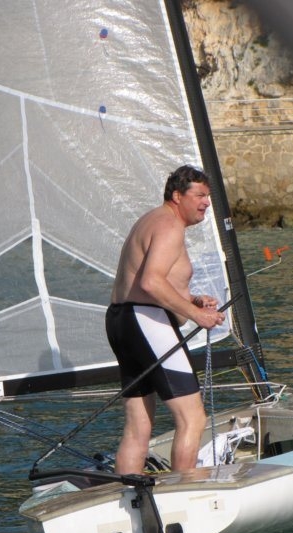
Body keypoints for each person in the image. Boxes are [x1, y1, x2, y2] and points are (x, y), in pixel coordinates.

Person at [105, 165, 225, 474]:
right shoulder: (170, 226)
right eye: (199, 195)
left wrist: (191, 299)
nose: (206, 203)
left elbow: (150, 281)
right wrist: (197, 314)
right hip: (146, 321)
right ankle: (183, 490)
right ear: (177, 196)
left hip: (122, 320)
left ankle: (129, 490)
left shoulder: (152, 220)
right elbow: (151, 282)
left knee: (139, 425)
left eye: (208, 196)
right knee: (192, 418)